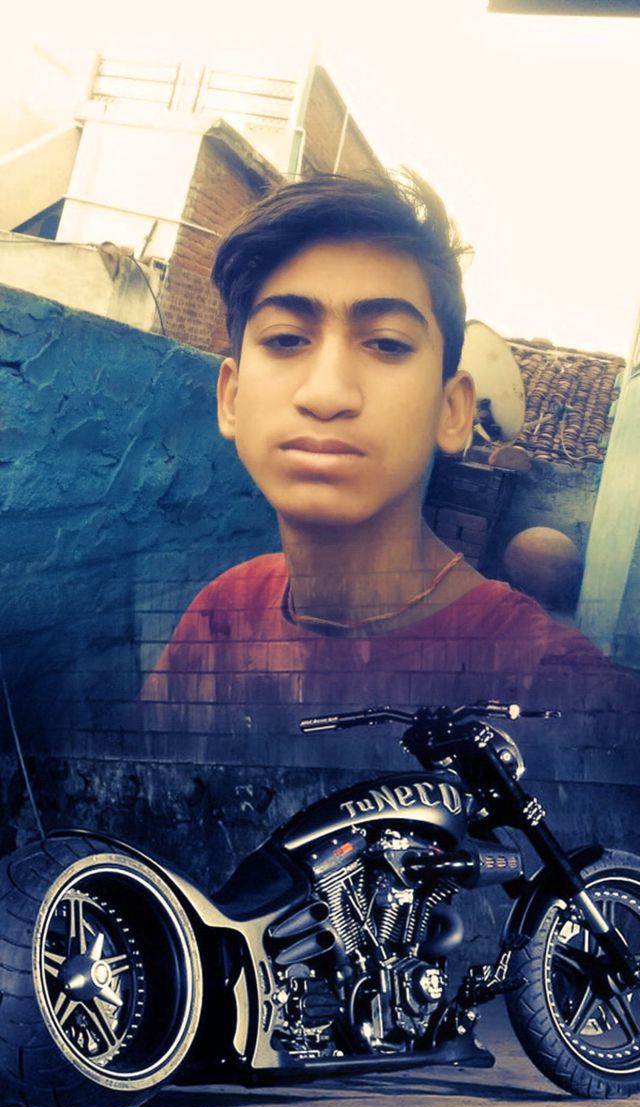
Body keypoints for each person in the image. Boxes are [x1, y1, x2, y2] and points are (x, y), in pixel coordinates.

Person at [140, 172, 638, 791]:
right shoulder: (221, 615)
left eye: (386, 344)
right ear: (232, 399)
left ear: (452, 410)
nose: (327, 393)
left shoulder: (551, 685)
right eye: (286, 338)